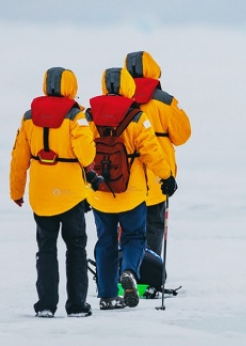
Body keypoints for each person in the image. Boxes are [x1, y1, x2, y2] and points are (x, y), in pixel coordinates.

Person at [85, 66, 177, 310]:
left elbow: (80, 153)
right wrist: (167, 176)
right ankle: (129, 272)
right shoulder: (136, 117)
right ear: (127, 86)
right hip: (132, 193)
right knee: (134, 236)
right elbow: (151, 152)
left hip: (100, 193)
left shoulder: (88, 116)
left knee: (105, 240)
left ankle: (107, 295)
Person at [9, 67, 96, 318]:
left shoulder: (28, 117)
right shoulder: (76, 116)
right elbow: (86, 155)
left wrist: (16, 191)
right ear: (70, 86)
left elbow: (18, 159)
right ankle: (77, 305)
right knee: (76, 248)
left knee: (46, 249)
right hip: (70, 194)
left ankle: (46, 305)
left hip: (41, 194)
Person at [125, 50, 191, 255]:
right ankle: (149, 270)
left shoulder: (119, 101)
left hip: (123, 175)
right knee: (153, 225)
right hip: (157, 176)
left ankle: (125, 267)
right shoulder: (166, 102)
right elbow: (183, 136)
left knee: (126, 227)